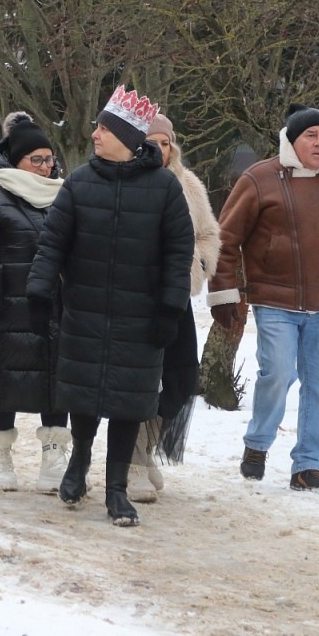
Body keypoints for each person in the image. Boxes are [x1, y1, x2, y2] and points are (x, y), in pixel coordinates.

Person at [27, 86, 193, 526]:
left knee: (128, 403)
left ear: (125, 135)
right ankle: (79, 461)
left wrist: (169, 310)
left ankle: (117, 490)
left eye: (103, 127)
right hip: (85, 311)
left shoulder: (165, 189)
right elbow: (52, 244)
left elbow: (180, 255)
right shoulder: (80, 182)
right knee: (83, 396)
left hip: (141, 320)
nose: (95, 134)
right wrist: (40, 291)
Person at [207, 103, 319, 492]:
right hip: (274, 301)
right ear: (291, 140)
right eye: (310, 136)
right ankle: (258, 443)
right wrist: (223, 295)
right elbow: (226, 239)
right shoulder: (259, 179)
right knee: (278, 373)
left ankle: (308, 465)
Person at [0, 113, 69, 493]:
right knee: (2, 380)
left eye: (49, 158)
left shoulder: (64, 197)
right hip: (4, 309)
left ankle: (55, 452)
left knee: (55, 381)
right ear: (17, 159)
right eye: (36, 159)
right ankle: (0, 455)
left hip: (53, 310)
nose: (45, 166)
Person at [127, 114, 221, 502]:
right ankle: (132, 461)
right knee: (137, 379)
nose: (158, 149)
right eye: (150, 141)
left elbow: (208, 233)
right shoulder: (124, 180)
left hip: (176, 297)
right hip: (134, 298)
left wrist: (196, 267)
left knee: (181, 379)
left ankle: (143, 448)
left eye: (164, 143)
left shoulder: (189, 184)